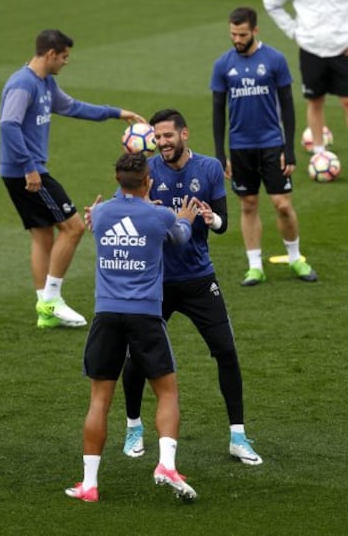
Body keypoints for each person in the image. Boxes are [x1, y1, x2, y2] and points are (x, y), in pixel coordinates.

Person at [120, 109, 263, 466]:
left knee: (226, 352)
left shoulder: (211, 168)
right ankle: (133, 428)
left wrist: (210, 218)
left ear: (184, 134)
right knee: (136, 357)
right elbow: (122, 215)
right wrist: (143, 212)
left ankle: (238, 436)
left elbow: (223, 223)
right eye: (157, 137)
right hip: (155, 282)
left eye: (168, 135)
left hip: (199, 279)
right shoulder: (146, 171)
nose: (162, 142)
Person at [65, 152, 198, 503]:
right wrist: (184, 218)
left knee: (99, 401)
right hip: (145, 316)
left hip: (106, 315)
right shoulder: (159, 216)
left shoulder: (102, 213)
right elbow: (180, 237)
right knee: (167, 392)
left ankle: (89, 485)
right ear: (148, 181)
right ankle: (166, 465)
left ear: (116, 179)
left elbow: (101, 216)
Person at [0, 29, 146, 329]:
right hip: (27, 172)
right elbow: (8, 125)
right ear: (51, 54)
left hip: (23, 171)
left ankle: (45, 310)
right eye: (64, 57)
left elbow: (73, 107)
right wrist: (29, 167)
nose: (66, 62)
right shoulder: (23, 84)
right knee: (74, 227)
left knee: (42, 235)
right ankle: (52, 300)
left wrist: (117, 113)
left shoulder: (46, 83)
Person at [210, 7, 317, 286]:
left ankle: (295, 258)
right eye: (233, 34)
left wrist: (289, 148)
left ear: (255, 31)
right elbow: (218, 111)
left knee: (282, 204)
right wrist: (221, 154)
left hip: (272, 143)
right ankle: (254, 265)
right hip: (240, 146)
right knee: (248, 204)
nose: (237, 39)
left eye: (242, 34)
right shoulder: (223, 65)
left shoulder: (274, 59)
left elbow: (288, 107)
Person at [263, 0, 348, 154]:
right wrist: (294, 32)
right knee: (315, 101)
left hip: (343, 48)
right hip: (311, 49)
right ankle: (319, 152)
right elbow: (271, 2)